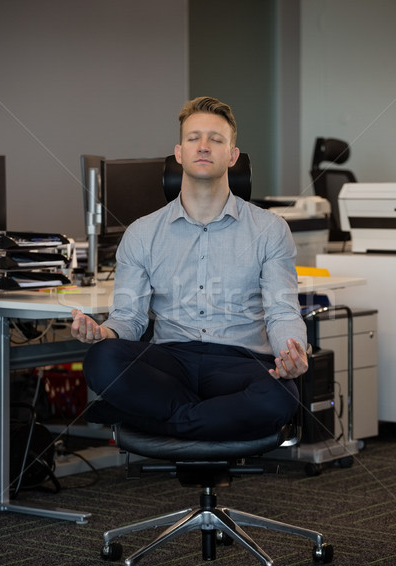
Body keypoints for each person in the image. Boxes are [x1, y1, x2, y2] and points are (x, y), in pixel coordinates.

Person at [71, 96, 308, 441]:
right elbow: (130, 319)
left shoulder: (269, 229)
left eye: (216, 139)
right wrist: (103, 333)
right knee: (101, 360)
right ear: (179, 153)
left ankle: (146, 418)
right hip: (171, 363)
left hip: (241, 363)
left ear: (232, 156)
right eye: (193, 137)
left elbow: (281, 311)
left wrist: (292, 351)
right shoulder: (142, 232)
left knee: (281, 396)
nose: (204, 146)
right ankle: (206, 418)